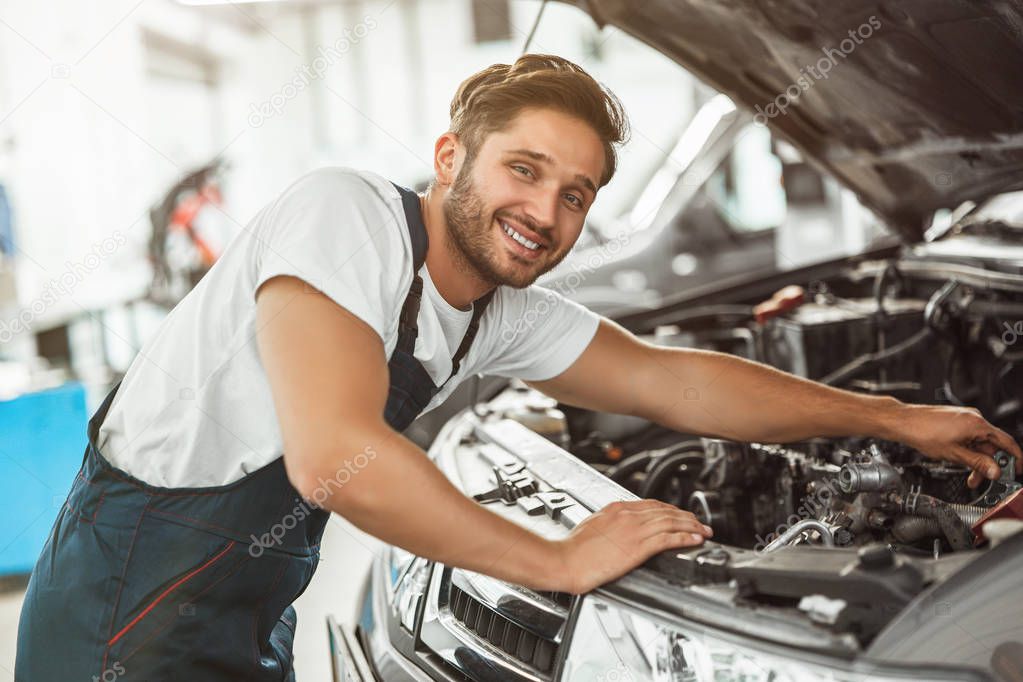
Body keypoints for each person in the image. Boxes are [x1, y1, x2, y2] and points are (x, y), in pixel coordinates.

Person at [16, 54, 1021, 681]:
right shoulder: (344, 217)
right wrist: (554, 556)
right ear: (452, 156)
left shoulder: (489, 310)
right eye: (525, 170)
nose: (547, 213)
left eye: (577, 195)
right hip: (122, 625)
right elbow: (334, 458)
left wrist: (891, 417)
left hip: (241, 624)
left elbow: (673, 381)